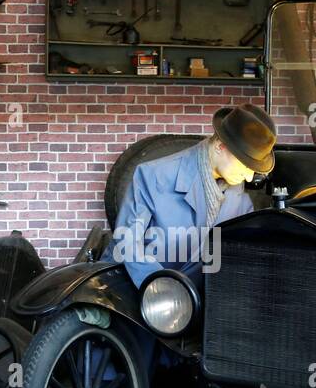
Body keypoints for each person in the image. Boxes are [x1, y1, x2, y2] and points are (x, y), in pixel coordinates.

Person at [108, 103, 276, 287]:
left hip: (205, 296)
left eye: (253, 168)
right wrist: (161, 290)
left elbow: (241, 253)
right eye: (245, 164)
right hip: (145, 288)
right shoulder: (153, 176)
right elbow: (128, 242)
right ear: (221, 146)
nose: (249, 176)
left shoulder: (239, 194)